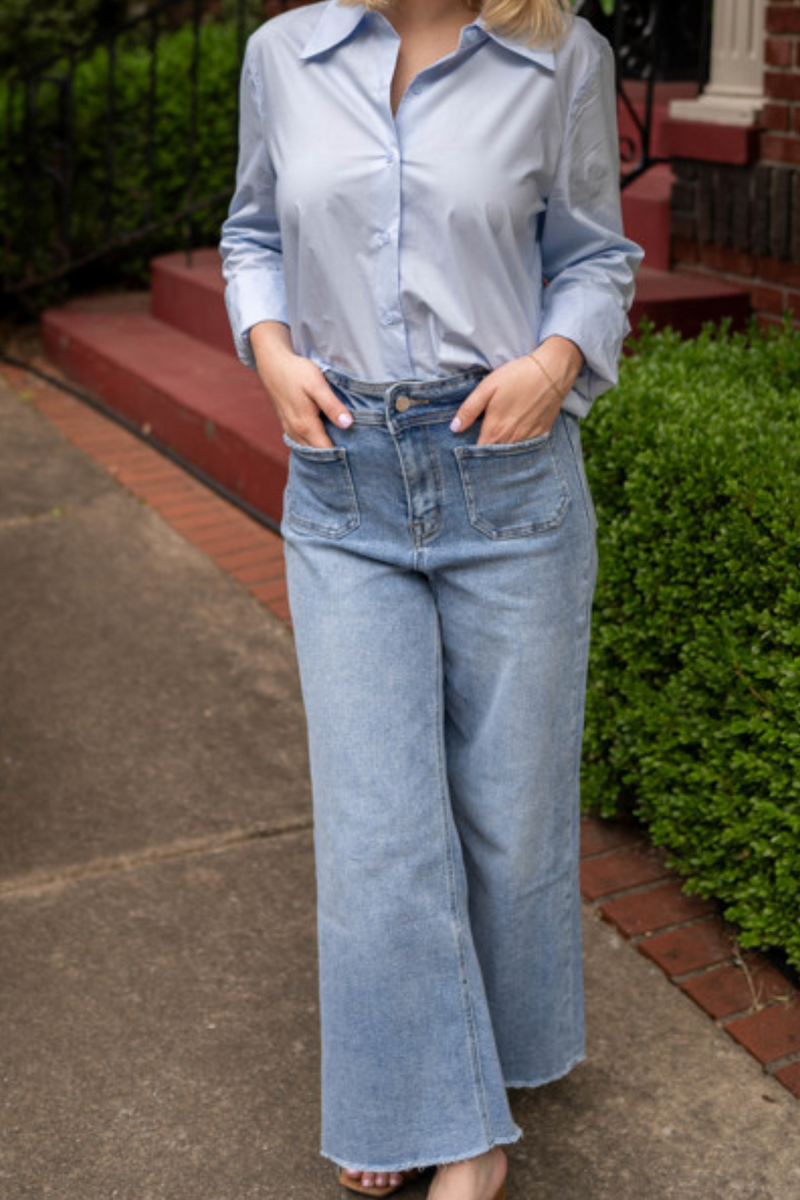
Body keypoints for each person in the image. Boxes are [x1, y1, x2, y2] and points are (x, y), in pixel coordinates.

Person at [220, 1, 643, 1197]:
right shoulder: (281, 54)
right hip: (344, 476)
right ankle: (448, 1125)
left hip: (504, 471)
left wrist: (554, 364)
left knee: (509, 822)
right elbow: (251, 233)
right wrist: (267, 347)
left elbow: (594, 257)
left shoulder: (560, 57)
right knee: (377, 828)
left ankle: (469, 1059)